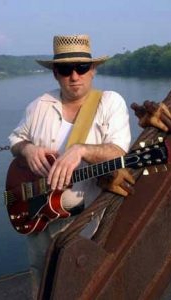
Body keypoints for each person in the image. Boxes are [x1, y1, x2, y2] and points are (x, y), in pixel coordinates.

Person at [8, 34, 133, 298]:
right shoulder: (38, 106)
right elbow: (16, 140)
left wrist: (82, 150)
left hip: (87, 217)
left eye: (82, 68)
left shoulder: (110, 103)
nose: (74, 76)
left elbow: (119, 152)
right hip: (39, 213)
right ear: (55, 73)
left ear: (93, 70)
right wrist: (27, 149)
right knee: (41, 275)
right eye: (65, 69)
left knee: (82, 280)